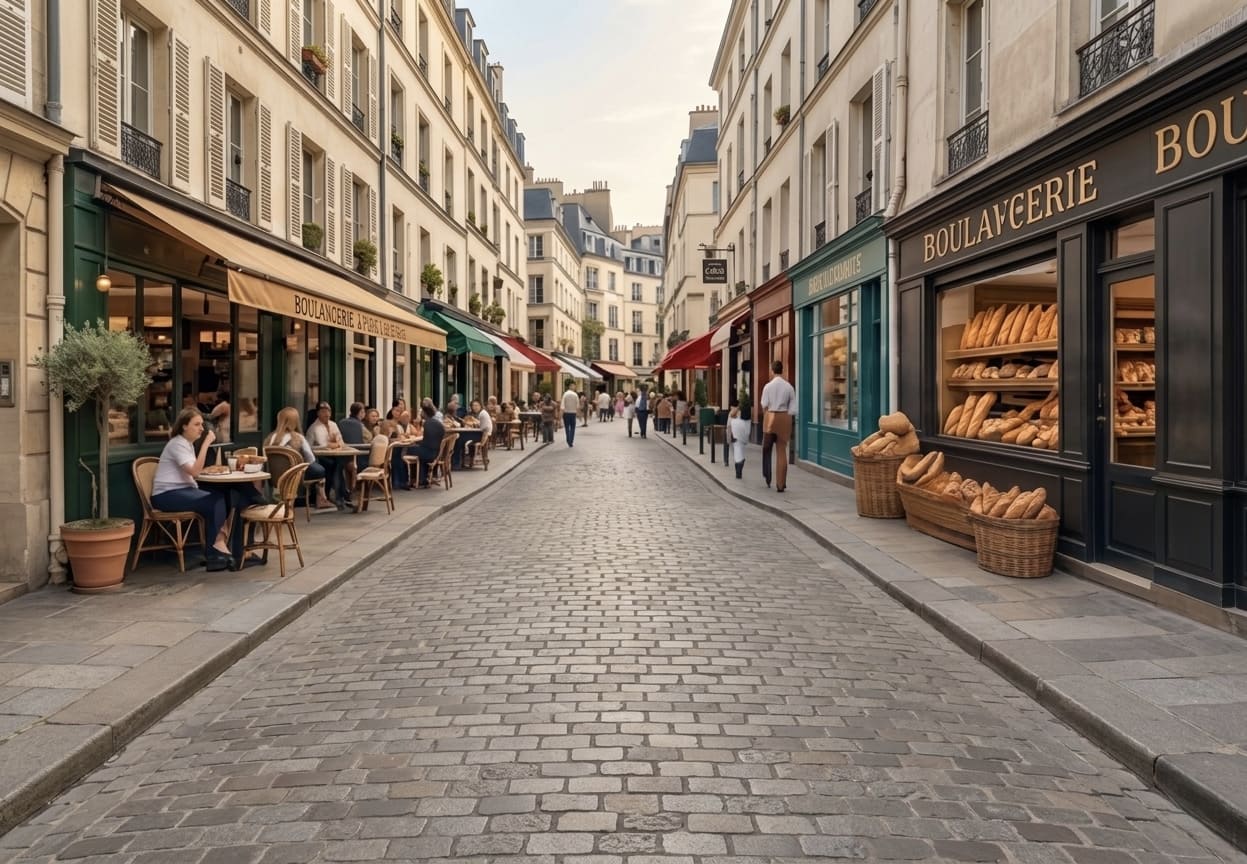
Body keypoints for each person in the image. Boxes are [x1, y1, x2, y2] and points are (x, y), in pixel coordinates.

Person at [151, 408, 233, 571]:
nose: (202, 428)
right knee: (214, 500)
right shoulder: (177, 444)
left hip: (181, 491)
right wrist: (206, 444)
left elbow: (193, 473)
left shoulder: (186, 444)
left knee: (220, 497)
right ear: (184, 426)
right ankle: (215, 551)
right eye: (197, 424)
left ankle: (215, 550)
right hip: (166, 495)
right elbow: (195, 471)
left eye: (202, 424)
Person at [267, 406, 332, 509]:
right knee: (320, 468)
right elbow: (310, 459)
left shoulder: (270, 438)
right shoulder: (299, 438)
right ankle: (321, 497)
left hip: (274, 478)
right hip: (295, 478)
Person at [760, 359, 797, 492]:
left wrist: (767, 417)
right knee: (781, 451)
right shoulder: (789, 387)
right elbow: (793, 409)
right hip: (784, 416)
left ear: (772, 370)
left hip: (770, 415)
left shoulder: (767, 386)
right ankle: (781, 484)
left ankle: (767, 476)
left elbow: (764, 404)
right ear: (783, 370)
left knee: (767, 448)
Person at [306, 400, 347, 506]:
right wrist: (328, 445)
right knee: (336, 465)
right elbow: (312, 446)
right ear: (318, 413)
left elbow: (341, 442)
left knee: (340, 463)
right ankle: (340, 496)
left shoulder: (333, 425)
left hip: (335, 456)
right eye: (323, 411)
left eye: (328, 411)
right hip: (320, 458)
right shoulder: (314, 428)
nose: (327, 414)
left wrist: (336, 444)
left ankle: (339, 495)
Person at [408, 402, 444, 487]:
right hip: (436, 452)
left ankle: (409, 478)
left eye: (421, 412)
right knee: (418, 452)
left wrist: (416, 442)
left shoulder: (427, 423)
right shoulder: (437, 423)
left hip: (429, 453)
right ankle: (422, 479)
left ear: (424, 413)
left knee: (407, 449)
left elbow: (426, 442)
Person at [728, 406, 752, 480]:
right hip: (740, 440)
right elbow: (747, 433)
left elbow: (729, 430)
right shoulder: (744, 422)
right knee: (739, 454)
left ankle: (738, 471)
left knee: (737, 454)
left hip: (734, 440)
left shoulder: (732, 420)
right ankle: (739, 471)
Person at [561, 382, 580, 447]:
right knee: (572, 428)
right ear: (572, 387)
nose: (574, 388)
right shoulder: (575, 395)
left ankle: (568, 439)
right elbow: (577, 406)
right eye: (574, 386)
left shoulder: (565, 394)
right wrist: (578, 414)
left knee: (567, 427)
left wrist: (561, 415)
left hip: (566, 413)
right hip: (573, 413)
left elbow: (562, 406)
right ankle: (571, 441)